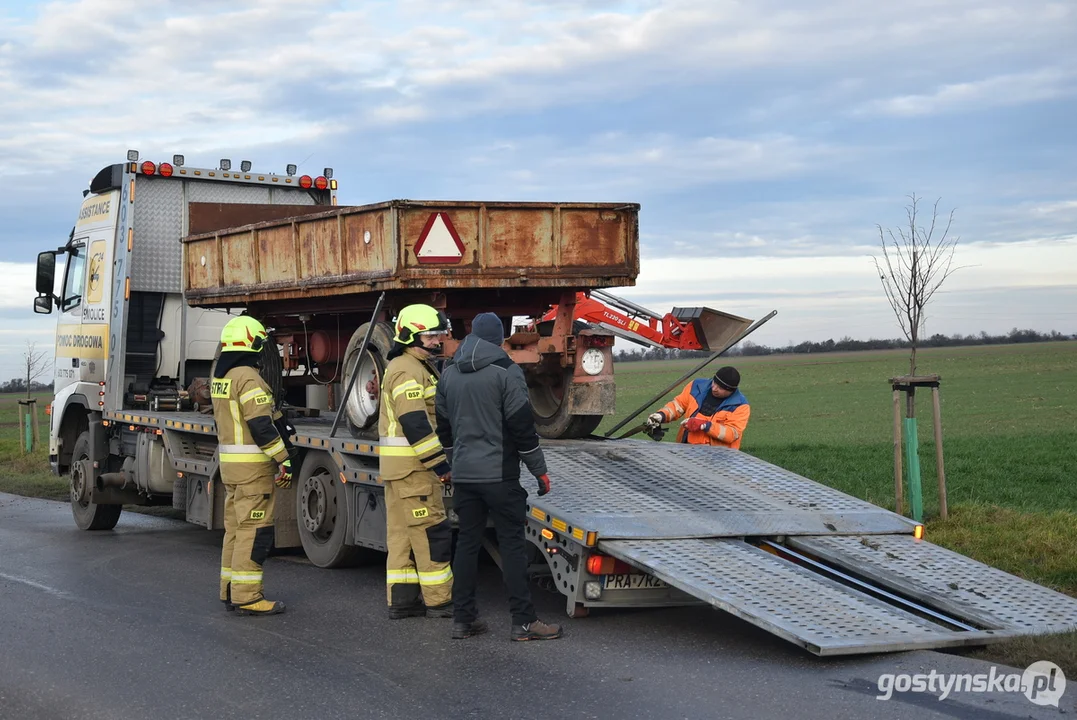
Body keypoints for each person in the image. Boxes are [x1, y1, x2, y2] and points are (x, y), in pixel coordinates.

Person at [435, 312, 563, 642]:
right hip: (501, 476)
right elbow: (522, 428)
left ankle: (463, 620)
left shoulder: (448, 373)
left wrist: (452, 464)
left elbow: (444, 428)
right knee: (512, 547)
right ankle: (523, 621)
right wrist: (540, 471)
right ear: (500, 339)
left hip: (465, 477)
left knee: (465, 545)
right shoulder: (507, 372)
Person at [211, 315, 294, 616]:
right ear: (251, 343)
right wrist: (283, 458)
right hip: (253, 473)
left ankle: (230, 590)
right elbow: (260, 425)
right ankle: (247, 597)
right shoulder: (248, 377)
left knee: (234, 531)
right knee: (253, 532)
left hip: (232, 470)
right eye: (259, 342)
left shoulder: (222, 377)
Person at [378, 304, 455, 620]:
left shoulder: (407, 366)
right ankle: (439, 601)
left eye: (439, 334)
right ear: (411, 335)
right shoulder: (408, 369)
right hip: (415, 469)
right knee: (430, 533)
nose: (438, 341)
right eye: (432, 335)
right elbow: (415, 422)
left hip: (400, 469)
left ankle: (403, 600)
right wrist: (440, 464)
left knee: (401, 536)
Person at [648, 366, 750, 448]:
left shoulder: (741, 406)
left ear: (730, 391)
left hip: (719, 459)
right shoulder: (696, 386)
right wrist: (661, 415)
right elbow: (678, 405)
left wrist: (705, 425)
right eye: (714, 382)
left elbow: (732, 434)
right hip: (685, 449)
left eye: (720, 388)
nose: (714, 388)